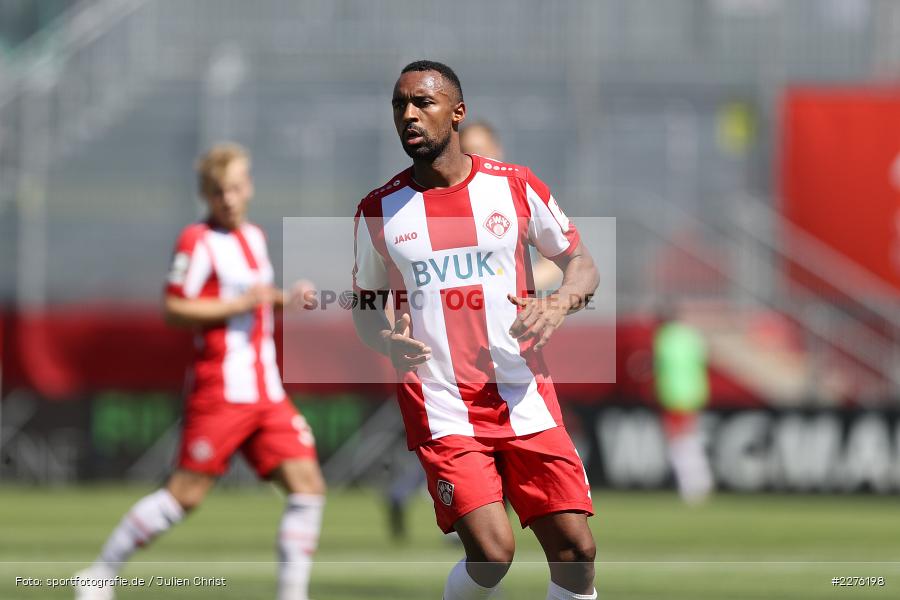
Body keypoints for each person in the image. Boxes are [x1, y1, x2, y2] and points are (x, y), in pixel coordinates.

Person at [353, 60, 600, 600]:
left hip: (523, 392)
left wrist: (557, 306)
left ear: (457, 113)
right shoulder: (378, 211)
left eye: (423, 102)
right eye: (400, 105)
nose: (409, 115)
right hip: (441, 401)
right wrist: (381, 338)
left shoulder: (514, 186)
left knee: (576, 552)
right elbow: (364, 308)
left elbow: (581, 264)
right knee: (492, 553)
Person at [74, 143, 325, 600]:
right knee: (185, 495)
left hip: (266, 391)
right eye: (216, 191)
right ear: (205, 195)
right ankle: (99, 573)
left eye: (233, 188)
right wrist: (238, 304)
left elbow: (257, 294)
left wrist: (287, 298)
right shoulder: (197, 240)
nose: (227, 199)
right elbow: (173, 308)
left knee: (307, 487)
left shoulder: (254, 237)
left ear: (247, 188)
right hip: (221, 390)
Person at [654, 303, 714, 505]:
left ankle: (693, 486)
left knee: (679, 442)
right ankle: (700, 483)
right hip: (695, 393)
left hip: (674, 395)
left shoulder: (664, 337)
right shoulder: (691, 336)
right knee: (689, 438)